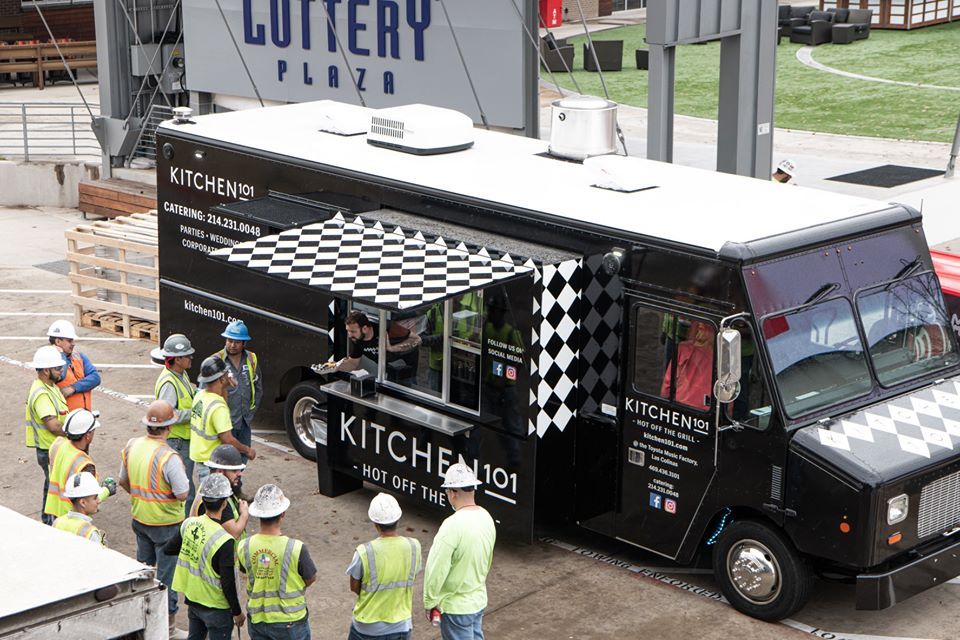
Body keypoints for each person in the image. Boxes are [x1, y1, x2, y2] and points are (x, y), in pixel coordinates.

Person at [119, 400, 191, 640]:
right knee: (165, 579)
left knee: (144, 573)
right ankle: (166, 629)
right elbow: (182, 492)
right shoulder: (168, 457)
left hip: (140, 519)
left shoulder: (132, 445)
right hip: (167, 526)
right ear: (169, 427)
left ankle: (140, 621)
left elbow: (123, 480)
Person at [167, 474, 244, 640]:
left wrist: (194, 550)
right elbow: (228, 582)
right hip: (217, 609)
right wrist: (237, 612)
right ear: (224, 503)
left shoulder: (189, 524)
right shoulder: (224, 540)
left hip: (194, 601)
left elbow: (169, 549)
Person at [423, 463, 496, 640]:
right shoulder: (486, 517)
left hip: (456, 607)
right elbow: (487, 559)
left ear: (453, 492)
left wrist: (430, 601)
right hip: (478, 600)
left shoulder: (452, 525)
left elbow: (436, 568)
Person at [238, 484, 318, 640]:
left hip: (258, 619)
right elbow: (310, 578)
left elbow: (245, 571)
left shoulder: (244, 546)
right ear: (283, 513)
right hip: (290, 620)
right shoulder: (296, 548)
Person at [346, 492, 421, 640]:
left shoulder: (364, 552)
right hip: (401, 625)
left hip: (367, 627)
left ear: (375, 523)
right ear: (398, 519)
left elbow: (354, 587)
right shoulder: (414, 547)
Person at [191, 355, 256, 488]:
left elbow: (221, 403)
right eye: (227, 373)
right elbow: (228, 439)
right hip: (212, 463)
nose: (229, 374)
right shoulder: (218, 407)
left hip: (201, 457)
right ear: (221, 378)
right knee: (215, 500)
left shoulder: (201, 395)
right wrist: (247, 450)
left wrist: (225, 387)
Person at [152, 333, 197, 515]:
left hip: (183, 440)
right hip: (177, 442)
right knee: (184, 489)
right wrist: (194, 413)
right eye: (187, 355)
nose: (191, 358)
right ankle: (182, 525)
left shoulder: (181, 374)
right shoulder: (169, 383)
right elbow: (167, 414)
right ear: (177, 359)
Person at [44, 408, 115, 522]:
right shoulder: (84, 464)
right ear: (87, 436)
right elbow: (87, 499)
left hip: (55, 513)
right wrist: (106, 490)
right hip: (74, 518)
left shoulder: (57, 444)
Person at [25, 345, 69, 525]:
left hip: (54, 447)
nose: (61, 372)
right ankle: (51, 523)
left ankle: (47, 520)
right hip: (50, 449)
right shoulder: (42, 393)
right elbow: (53, 424)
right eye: (57, 369)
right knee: (55, 491)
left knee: (51, 485)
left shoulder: (49, 386)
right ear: (45, 370)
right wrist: (73, 431)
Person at [213, 321, 262, 461]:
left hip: (244, 421)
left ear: (244, 343)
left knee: (242, 461)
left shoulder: (251, 359)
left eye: (237, 342)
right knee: (225, 461)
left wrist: (251, 412)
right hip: (225, 422)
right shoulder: (216, 360)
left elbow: (258, 387)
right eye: (229, 340)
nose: (232, 345)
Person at [331, 310, 422, 377]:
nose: (350, 335)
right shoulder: (357, 339)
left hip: (406, 364)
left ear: (365, 329)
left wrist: (392, 348)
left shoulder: (387, 328)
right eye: (348, 331)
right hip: (387, 368)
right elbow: (353, 363)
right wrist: (336, 367)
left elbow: (416, 339)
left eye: (353, 331)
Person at [188, 444, 249, 540]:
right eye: (234, 471)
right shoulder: (218, 499)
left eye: (239, 470)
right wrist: (244, 514)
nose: (240, 474)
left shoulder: (208, 486)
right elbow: (234, 533)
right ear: (220, 472)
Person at [660, 319, 715, 411]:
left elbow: (668, 382)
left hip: (682, 404)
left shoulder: (683, 349)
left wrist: (664, 403)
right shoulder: (722, 356)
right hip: (707, 409)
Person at [48, 320, 101, 411]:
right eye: (69, 340)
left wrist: (73, 388)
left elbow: (95, 378)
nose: (73, 344)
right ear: (57, 341)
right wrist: (61, 355)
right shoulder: (50, 361)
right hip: (65, 418)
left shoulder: (79, 356)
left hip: (84, 415)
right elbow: (61, 376)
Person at [53, 471, 107, 547]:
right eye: (95, 498)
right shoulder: (90, 533)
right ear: (83, 503)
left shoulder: (57, 522)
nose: (99, 500)